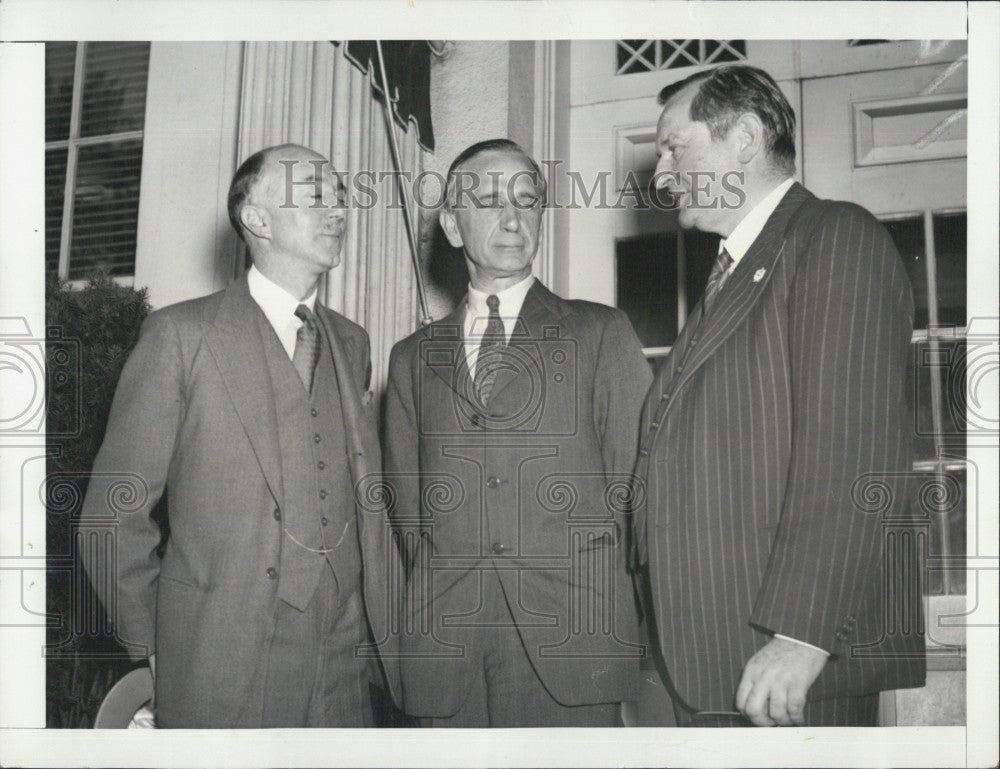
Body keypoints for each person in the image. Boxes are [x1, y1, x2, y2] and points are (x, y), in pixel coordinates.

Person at [634, 65, 925, 727]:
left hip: (785, 663)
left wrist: (803, 634)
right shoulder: (738, 268)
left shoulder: (834, 237)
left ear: (743, 138)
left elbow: (855, 455)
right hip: (711, 658)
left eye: (674, 148)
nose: (660, 174)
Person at [79, 143, 400, 728]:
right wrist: (159, 645)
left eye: (341, 195)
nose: (338, 211)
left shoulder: (353, 344)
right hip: (218, 661)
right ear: (256, 219)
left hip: (344, 668)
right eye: (315, 195)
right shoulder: (181, 336)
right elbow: (112, 516)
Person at [384, 139, 652, 727]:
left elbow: (639, 496)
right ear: (452, 226)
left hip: (575, 652)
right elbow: (407, 518)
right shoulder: (410, 359)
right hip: (446, 656)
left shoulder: (600, 333)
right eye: (489, 201)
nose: (512, 218)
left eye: (527, 200)